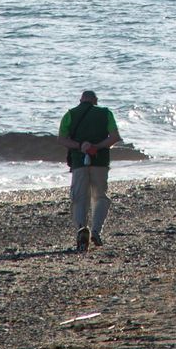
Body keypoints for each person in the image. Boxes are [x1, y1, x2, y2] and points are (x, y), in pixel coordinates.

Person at [57, 89, 121, 252]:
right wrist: (96, 147)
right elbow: (114, 137)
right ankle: (96, 231)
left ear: (81, 100)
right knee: (100, 196)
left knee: (79, 198)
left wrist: (80, 146)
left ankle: (81, 229)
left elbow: (62, 139)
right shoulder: (106, 113)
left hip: (79, 162)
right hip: (100, 161)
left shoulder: (70, 114)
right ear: (95, 100)